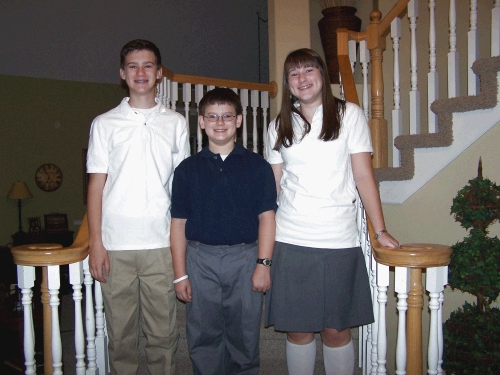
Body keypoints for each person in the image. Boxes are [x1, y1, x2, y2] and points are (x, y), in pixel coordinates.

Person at [264, 48, 399, 375]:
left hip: (338, 240)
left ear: (322, 75)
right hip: (291, 239)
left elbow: (364, 175)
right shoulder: (278, 126)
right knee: (298, 329)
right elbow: (273, 190)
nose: (302, 79)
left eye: (309, 70)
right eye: (294, 74)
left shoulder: (349, 114)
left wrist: (379, 230)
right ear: (288, 83)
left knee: (336, 330)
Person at [86, 39, 190, 375]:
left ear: (159, 73)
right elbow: (96, 185)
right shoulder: (104, 124)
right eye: (133, 66)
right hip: (115, 246)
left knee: (163, 334)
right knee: (121, 337)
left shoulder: (176, 123)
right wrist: (96, 243)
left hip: (161, 243)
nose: (140, 72)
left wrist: (182, 244)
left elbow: (181, 186)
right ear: (122, 73)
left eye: (147, 66)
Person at [170, 87, 277, 375]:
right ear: (201, 122)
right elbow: (178, 224)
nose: (220, 122)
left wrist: (263, 264)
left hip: (245, 258)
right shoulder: (186, 170)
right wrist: (180, 273)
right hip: (200, 259)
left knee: (244, 336)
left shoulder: (258, 167)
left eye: (227, 116)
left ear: (239, 120)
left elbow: (267, 218)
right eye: (213, 116)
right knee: (203, 335)